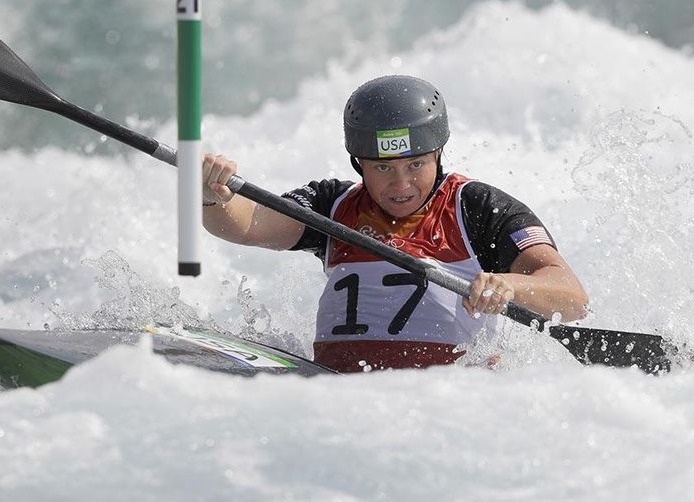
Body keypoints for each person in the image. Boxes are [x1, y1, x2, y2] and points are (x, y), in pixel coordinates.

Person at [202, 75, 588, 373]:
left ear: (438, 154)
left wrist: (509, 286)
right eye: (383, 168)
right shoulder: (332, 204)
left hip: (448, 397)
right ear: (359, 163)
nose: (402, 185)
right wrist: (214, 196)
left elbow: (572, 298)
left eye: (415, 165)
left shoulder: (478, 208)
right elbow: (248, 225)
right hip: (335, 390)